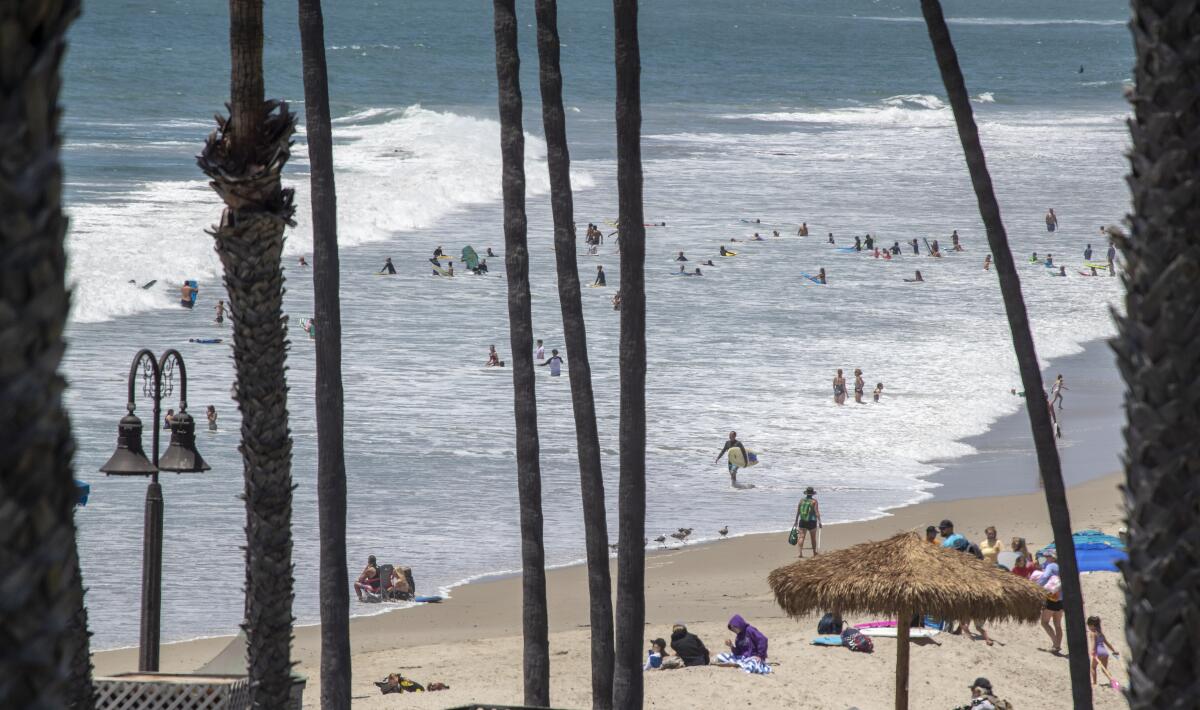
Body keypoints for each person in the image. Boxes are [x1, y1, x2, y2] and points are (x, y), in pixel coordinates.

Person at [1037, 550, 1064, 653]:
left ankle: (1056, 644)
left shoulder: (1051, 566)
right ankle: (1057, 645)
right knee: (1057, 624)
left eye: (1048, 556)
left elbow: (1044, 577)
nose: (1046, 558)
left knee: (1044, 622)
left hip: (1052, 597)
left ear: (1053, 558)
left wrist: (1036, 586)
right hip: (1061, 599)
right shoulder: (1062, 566)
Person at [1088, 616, 1119, 686]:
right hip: (1105, 653)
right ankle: (1114, 682)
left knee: (1093, 667)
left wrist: (1092, 651)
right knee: (1104, 670)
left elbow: (1093, 643)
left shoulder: (1092, 633)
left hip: (1098, 652)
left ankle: (1094, 683)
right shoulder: (1100, 634)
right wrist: (1114, 651)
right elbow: (1107, 644)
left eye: (1089, 626)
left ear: (1092, 626)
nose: (1089, 628)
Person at [792, 487, 822, 558]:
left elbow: (798, 511)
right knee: (813, 538)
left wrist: (796, 521)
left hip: (802, 521)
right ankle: (814, 553)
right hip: (812, 521)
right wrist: (819, 522)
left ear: (806, 493)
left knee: (801, 537)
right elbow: (816, 512)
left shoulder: (801, 501)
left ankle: (800, 553)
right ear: (812, 494)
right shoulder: (814, 501)